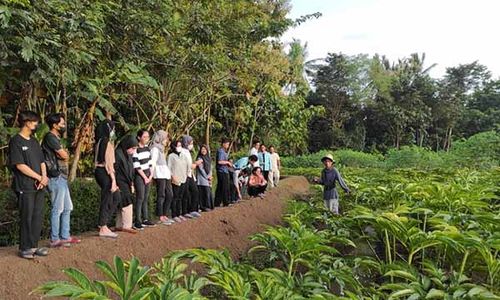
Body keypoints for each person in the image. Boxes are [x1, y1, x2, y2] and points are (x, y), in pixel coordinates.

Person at [9, 111, 50, 259]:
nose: (36, 124)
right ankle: (25, 248)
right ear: (26, 122)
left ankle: (34, 246)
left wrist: (44, 178)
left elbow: (41, 161)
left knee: (37, 215)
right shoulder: (16, 141)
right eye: (34, 121)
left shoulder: (33, 141)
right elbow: (19, 165)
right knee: (27, 215)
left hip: (39, 185)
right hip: (25, 186)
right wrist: (38, 177)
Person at [43, 113, 81, 248]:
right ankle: (55, 239)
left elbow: (65, 156)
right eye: (62, 123)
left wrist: (65, 155)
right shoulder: (50, 137)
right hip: (55, 176)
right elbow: (64, 155)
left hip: (61, 177)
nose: (64, 125)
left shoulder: (55, 138)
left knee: (67, 208)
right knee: (57, 209)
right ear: (54, 125)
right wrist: (64, 154)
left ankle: (65, 236)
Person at [94, 119, 120, 238]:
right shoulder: (105, 142)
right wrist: (113, 180)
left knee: (115, 197)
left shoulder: (99, 141)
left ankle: (103, 224)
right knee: (107, 199)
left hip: (100, 172)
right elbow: (108, 163)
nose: (113, 131)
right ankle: (103, 226)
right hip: (105, 172)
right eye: (112, 128)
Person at [114, 135, 139, 234]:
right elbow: (114, 169)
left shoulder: (128, 155)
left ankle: (119, 224)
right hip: (120, 181)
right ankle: (127, 225)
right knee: (126, 201)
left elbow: (130, 169)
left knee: (123, 202)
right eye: (133, 148)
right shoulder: (118, 153)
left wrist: (131, 181)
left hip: (127, 181)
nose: (133, 151)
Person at [132, 129, 155, 230]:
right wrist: (145, 177)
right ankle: (137, 220)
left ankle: (145, 218)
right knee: (140, 197)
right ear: (139, 137)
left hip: (148, 174)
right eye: (144, 137)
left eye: (147, 137)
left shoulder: (147, 148)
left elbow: (150, 162)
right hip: (139, 176)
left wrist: (150, 175)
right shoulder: (135, 149)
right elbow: (137, 166)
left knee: (146, 197)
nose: (146, 139)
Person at [150, 130, 174, 225]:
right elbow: (153, 162)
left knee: (169, 194)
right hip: (159, 174)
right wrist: (152, 175)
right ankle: (160, 215)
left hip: (165, 174)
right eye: (165, 139)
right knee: (161, 195)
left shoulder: (161, 148)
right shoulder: (154, 149)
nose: (166, 141)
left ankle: (165, 214)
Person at [167, 140, 190, 222]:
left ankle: (179, 213)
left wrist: (187, 175)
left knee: (180, 197)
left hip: (184, 178)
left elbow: (188, 166)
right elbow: (169, 168)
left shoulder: (183, 155)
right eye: (178, 145)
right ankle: (174, 214)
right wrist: (173, 177)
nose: (179, 147)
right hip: (175, 179)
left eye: (180, 145)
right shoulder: (171, 156)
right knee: (175, 197)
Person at [181, 135, 201, 218]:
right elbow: (184, 164)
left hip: (190, 174)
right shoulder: (182, 152)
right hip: (184, 174)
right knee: (185, 194)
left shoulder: (188, 152)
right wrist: (195, 164)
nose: (191, 145)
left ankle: (193, 209)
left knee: (195, 191)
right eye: (190, 143)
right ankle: (185, 211)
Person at [215, 138, 232, 207]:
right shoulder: (221, 151)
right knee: (225, 187)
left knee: (220, 187)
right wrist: (227, 162)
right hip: (222, 171)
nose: (228, 145)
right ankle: (226, 202)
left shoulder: (224, 151)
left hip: (224, 170)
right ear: (223, 144)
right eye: (227, 144)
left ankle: (217, 202)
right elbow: (220, 161)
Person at [196, 145, 214, 211]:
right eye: (202, 149)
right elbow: (201, 169)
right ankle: (204, 207)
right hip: (202, 179)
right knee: (204, 192)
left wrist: (210, 176)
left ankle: (209, 206)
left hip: (208, 178)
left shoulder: (208, 158)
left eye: (205, 149)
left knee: (208, 192)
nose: (203, 150)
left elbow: (211, 168)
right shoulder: (199, 158)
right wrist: (207, 177)